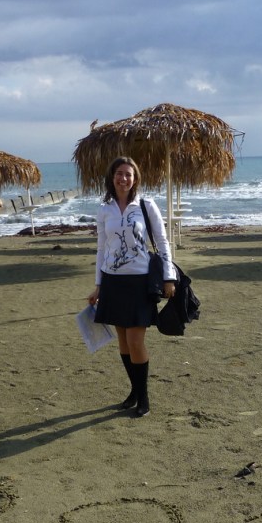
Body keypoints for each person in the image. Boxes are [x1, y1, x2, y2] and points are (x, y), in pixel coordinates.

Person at [87, 157, 176, 417]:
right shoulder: (105, 209)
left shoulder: (145, 205)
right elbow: (101, 249)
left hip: (140, 281)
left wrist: (169, 277)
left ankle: (144, 397)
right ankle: (134, 391)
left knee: (136, 341)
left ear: (135, 178)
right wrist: (98, 285)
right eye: (119, 173)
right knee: (124, 342)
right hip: (113, 281)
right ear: (111, 177)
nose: (123, 178)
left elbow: (162, 241)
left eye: (128, 174)